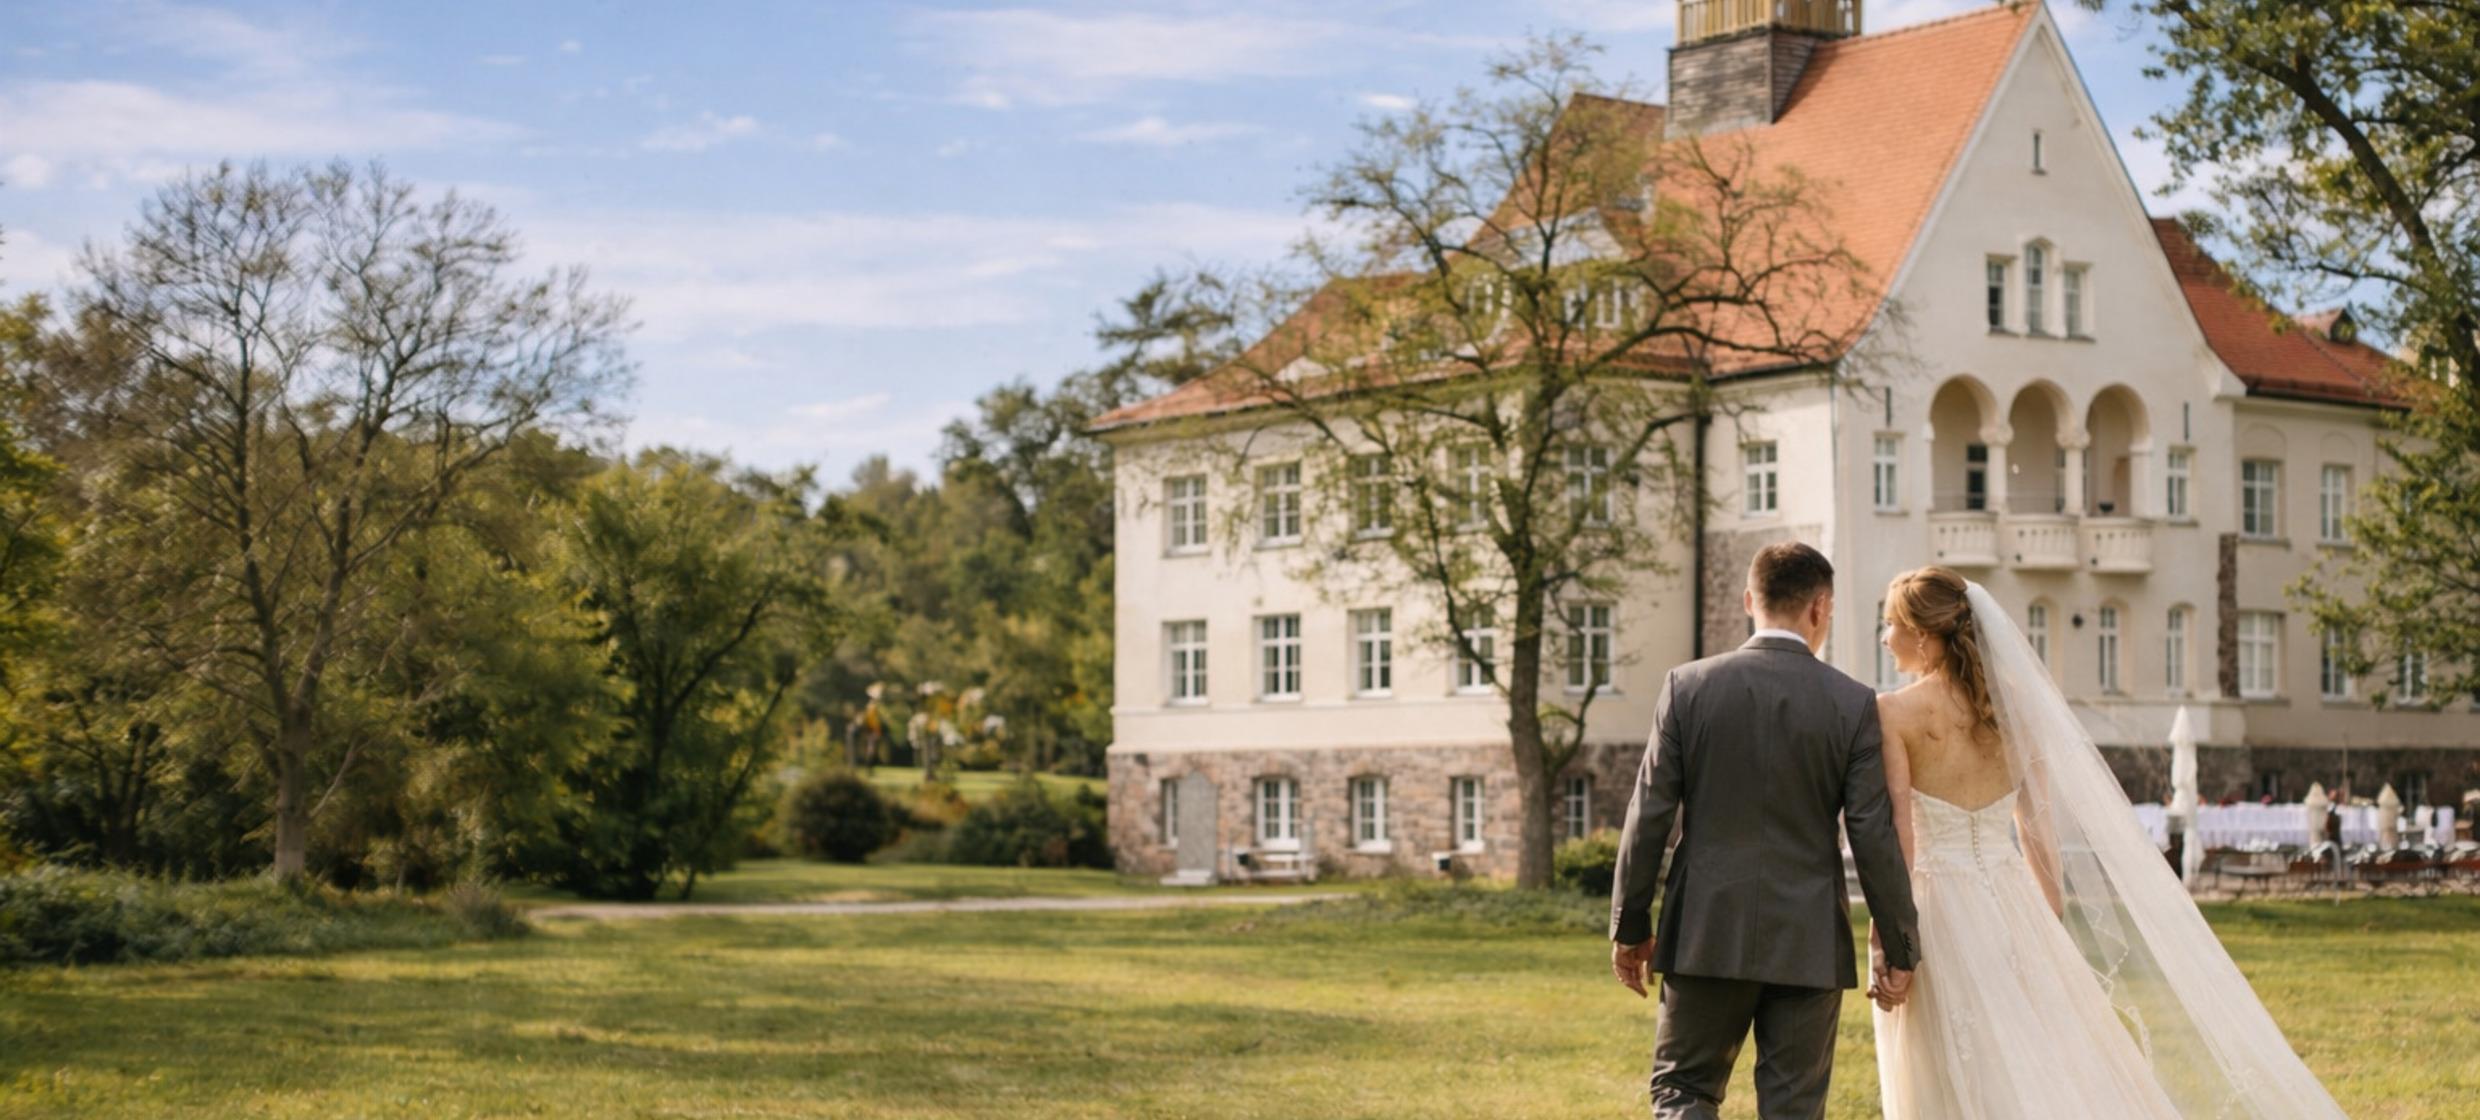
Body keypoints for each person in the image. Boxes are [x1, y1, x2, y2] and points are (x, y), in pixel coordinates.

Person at [1870, 567, 2346, 1119]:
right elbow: (2036, 825)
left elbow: (1899, 838)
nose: (1885, 638)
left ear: (1923, 633)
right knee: (2036, 1057)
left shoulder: (1893, 713)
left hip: (1938, 908)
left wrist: (1889, 939)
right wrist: (2045, 923)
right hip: (2013, 903)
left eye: (1890, 624)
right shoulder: (2014, 703)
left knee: (1950, 1062)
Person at [1607, 541, 1919, 1119]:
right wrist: (1899, 946)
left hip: (1704, 931)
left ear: (1750, 600)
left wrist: (1630, 927)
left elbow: (1648, 812)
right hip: (1808, 942)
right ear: (1820, 608)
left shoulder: (1686, 687)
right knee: (1793, 1110)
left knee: (1684, 1092)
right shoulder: (1852, 704)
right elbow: (1872, 834)